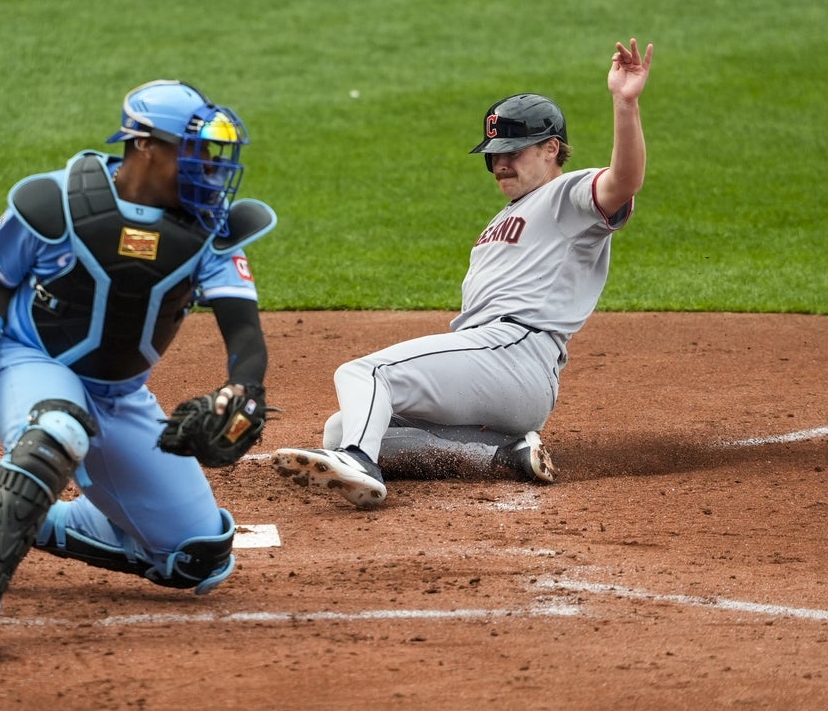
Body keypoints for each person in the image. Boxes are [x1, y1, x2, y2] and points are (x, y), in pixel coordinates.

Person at [0, 80, 276, 661]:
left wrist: (244, 386)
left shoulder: (209, 228)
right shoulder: (58, 202)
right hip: (26, 360)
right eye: (195, 153)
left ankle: (34, 518)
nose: (209, 170)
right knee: (59, 428)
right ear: (145, 145)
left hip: (119, 394)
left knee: (197, 556)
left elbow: (244, 331)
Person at [273, 38, 654, 507]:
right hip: (501, 373)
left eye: (513, 151)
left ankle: (360, 462)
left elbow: (624, 180)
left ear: (551, 148)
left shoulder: (568, 196)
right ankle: (505, 456)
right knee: (340, 426)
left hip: (514, 352)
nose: (500, 163)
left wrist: (625, 103)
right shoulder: (509, 214)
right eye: (494, 154)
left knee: (365, 374)